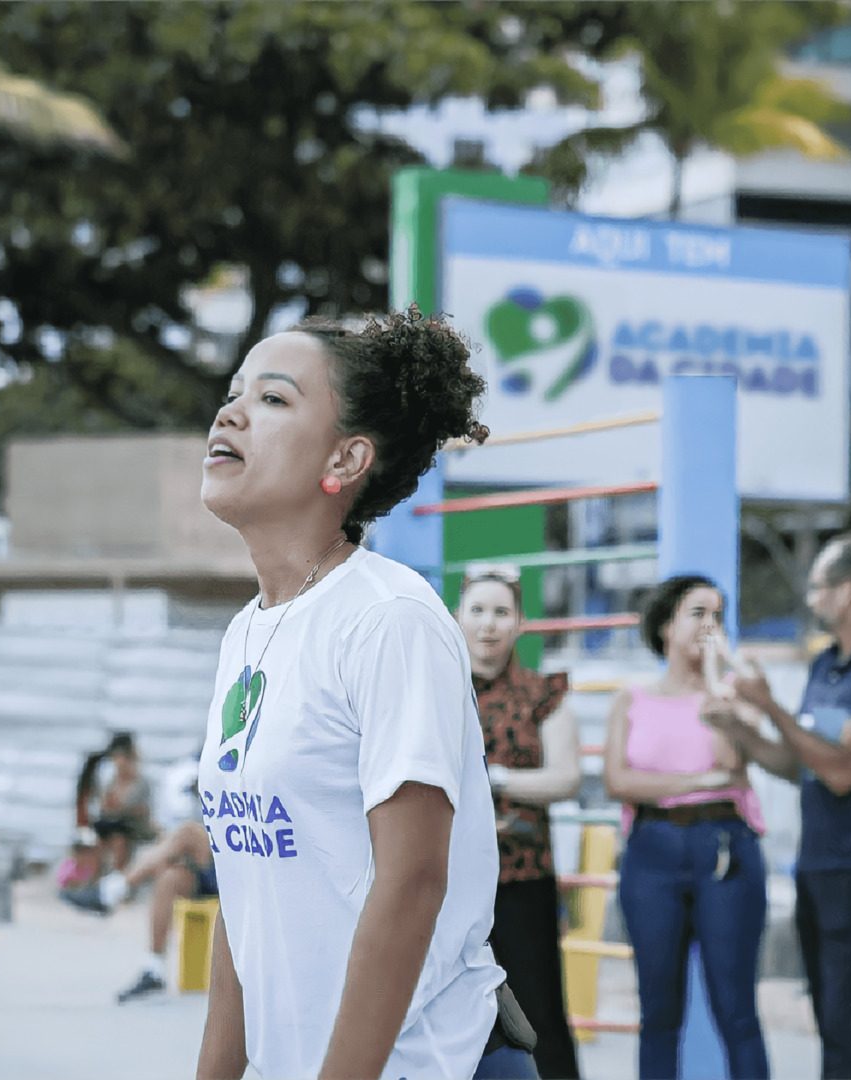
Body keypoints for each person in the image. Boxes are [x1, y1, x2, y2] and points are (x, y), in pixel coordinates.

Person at [193, 308, 533, 1080]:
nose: (230, 413)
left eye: (272, 398)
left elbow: (412, 883)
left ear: (346, 459)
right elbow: (246, 891)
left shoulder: (390, 619)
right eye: (234, 392)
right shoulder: (246, 631)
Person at [716, 534, 851, 1080]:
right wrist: (741, 729)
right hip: (819, 863)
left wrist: (770, 706)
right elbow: (799, 764)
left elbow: (841, 771)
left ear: (847, 592)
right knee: (835, 1020)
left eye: (817, 587)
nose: (810, 599)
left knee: (845, 1020)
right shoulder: (826, 665)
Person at [603, 575, 770, 1080]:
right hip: (651, 851)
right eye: (698, 613)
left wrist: (717, 678)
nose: (710, 626)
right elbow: (618, 781)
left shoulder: (732, 698)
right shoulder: (630, 700)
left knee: (736, 1010)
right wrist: (697, 782)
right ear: (666, 625)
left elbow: (731, 764)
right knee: (658, 1014)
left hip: (723, 847)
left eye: (718, 616)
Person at [458, 568, 585, 1080]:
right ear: (457, 617)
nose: (488, 624)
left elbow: (566, 777)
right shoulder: (434, 689)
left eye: (501, 612)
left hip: (522, 878)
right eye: (477, 610)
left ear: (520, 623)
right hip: (448, 882)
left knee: (540, 1011)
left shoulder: (542, 694)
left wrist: (493, 779)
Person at [61, 752, 217, 1005]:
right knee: (169, 878)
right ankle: (154, 969)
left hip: (242, 866)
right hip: (212, 867)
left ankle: (111, 892)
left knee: (187, 833)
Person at [86, 732, 155, 873]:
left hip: (132, 825)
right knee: (100, 837)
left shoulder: (140, 782)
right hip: (114, 823)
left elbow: (143, 810)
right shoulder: (112, 781)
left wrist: (121, 808)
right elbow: (104, 807)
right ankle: (97, 874)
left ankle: (118, 873)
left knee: (119, 839)